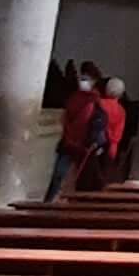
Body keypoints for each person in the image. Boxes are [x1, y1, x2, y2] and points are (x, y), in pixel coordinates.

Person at [48, 63, 104, 200]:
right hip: (68, 143)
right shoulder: (73, 98)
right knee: (58, 176)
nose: (83, 80)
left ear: (94, 81)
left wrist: (94, 140)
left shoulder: (95, 102)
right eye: (82, 76)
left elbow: (97, 123)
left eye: (87, 78)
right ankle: (51, 200)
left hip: (83, 145)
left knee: (78, 178)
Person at [89, 75, 129, 189]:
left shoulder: (98, 103)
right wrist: (113, 144)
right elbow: (118, 133)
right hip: (110, 146)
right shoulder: (121, 110)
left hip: (94, 143)